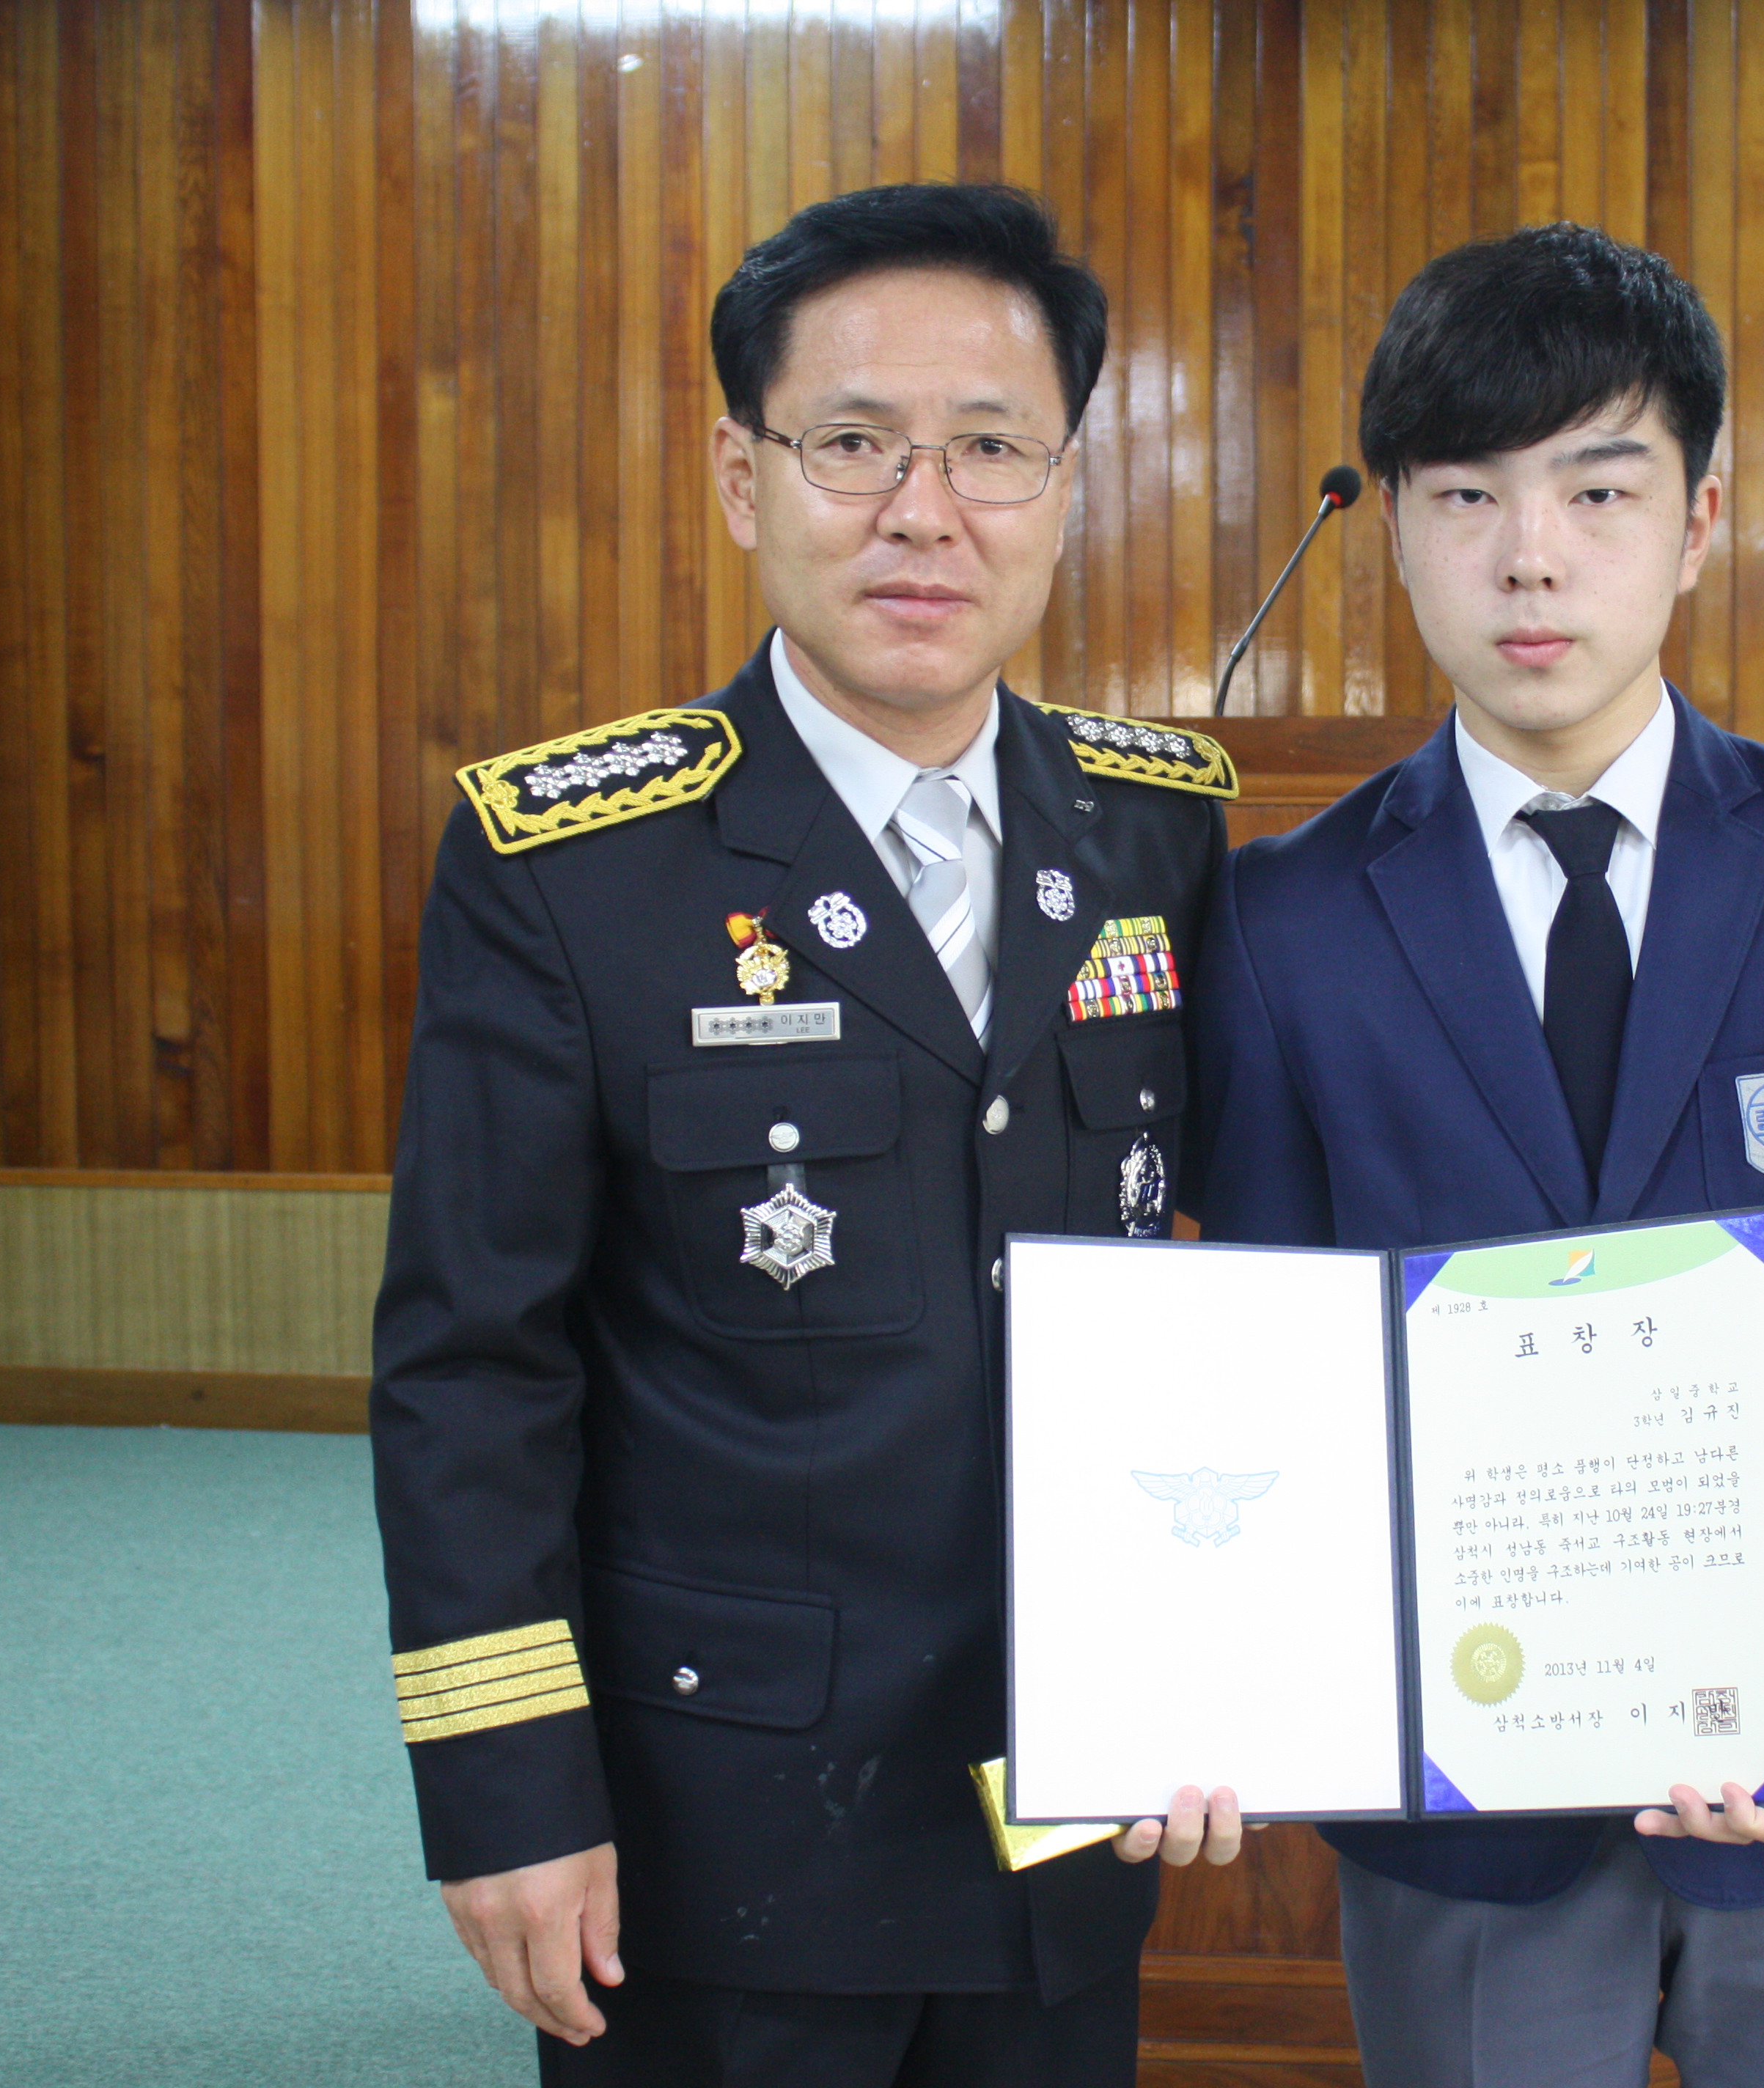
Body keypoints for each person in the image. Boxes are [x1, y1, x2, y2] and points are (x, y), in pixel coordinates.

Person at [370, 183, 1243, 2088]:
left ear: (1066, 487)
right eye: (853, 442)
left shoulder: (1156, 830)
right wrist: (507, 1783)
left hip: (1067, 1801)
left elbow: (1230, 1292)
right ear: (740, 475)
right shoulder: (571, 869)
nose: (924, 510)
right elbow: (472, 1366)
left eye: (992, 449)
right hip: (724, 1830)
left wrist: (1228, 1650)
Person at [1186, 223, 1764, 2088]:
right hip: (1464, 1805)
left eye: (1599, 488)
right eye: (1467, 494)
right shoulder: (1281, 922)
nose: (1532, 553)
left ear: (1699, 518)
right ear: (1398, 528)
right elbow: (1263, 1364)